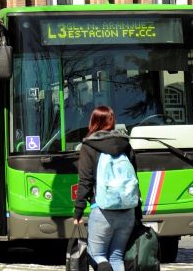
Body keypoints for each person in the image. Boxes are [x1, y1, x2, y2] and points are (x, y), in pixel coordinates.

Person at [73, 106, 139, 271]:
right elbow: (134, 179)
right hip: (128, 211)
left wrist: (78, 211)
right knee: (116, 257)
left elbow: (85, 182)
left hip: (102, 209)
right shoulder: (125, 144)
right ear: (112, 121)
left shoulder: (89, 146)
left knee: (97, 255)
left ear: (93, 122)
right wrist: (138, 211)